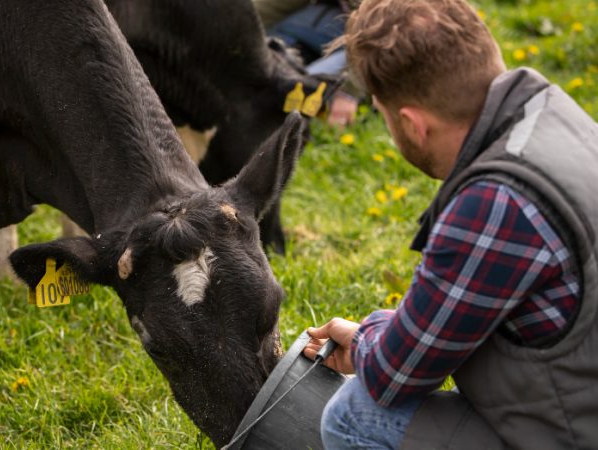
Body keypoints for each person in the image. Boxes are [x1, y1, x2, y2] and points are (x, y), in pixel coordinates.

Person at [302, 0, 598, 448]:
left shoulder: (495, 202)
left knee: (354, 416)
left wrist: (369, 342)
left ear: (412, 124)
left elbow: (393, 377)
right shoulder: (553, 114)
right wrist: (381, 333)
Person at [253, 0, 360, 127]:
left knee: (300, 87)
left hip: (365, 42)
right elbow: (267, 8)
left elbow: (374, 42)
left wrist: (348, 93)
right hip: (323, 21)